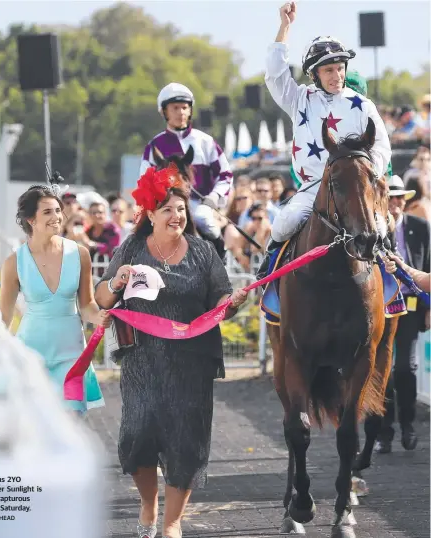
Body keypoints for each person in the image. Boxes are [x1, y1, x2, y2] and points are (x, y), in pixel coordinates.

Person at [94, 165, 248, 538]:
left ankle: (172, 523)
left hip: (190, 365)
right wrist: (117, 280)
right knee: (136, 437)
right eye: (168, 210)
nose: (177, 216)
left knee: (186, 442)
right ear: (150, 214)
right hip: (142, 362)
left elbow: (222, 298)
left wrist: (234, 301)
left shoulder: (202, 252)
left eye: (181, 210)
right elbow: (102, 296)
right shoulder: (131, 248)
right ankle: (149, 505)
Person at [259, 1, 391, 276]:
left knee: (380, 229)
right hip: (313, 189)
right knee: (285, 222)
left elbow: (381, 146)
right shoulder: (301, 99)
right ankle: (269, 272)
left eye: (340, 68)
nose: (337, 75)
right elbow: (274, 75)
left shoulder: (363, 104)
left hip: (356, 189)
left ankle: (395, 281)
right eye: (328, 70)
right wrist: (285, 27)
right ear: (315, 74)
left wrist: (367, 175)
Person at [0, 185, 108, 415]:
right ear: (30, 219)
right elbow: (4, 317)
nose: (57, 217)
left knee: (71, 421)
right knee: (37, 426)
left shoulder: (80, 254)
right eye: (47, 212)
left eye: (58, 210)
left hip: (71, 353)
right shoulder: (13, 263)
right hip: (30, 354)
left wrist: (98, 316)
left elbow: (87, 304)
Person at [140, 82, 233, 248]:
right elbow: (144, 180)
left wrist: (214, 197)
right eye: (175, 108)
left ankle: (220, 257)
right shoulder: (154, 145)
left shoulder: (206, 141)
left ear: (190, 110)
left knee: (202, 218)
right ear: (164, 112)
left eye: (184, 107)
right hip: (165, 205)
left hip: (201, 204)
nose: (180, 112)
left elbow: (225, 174)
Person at [375, 176, 430, 453]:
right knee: (381, 371)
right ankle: (383, 432)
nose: (396, 203)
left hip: (409, 307)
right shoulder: (370, 229)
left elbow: (428, 265)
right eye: (391, 197)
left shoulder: (421, 227)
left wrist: (429, 308)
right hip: (380, 308)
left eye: (400, 198)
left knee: (405, 369)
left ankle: (407, 425)